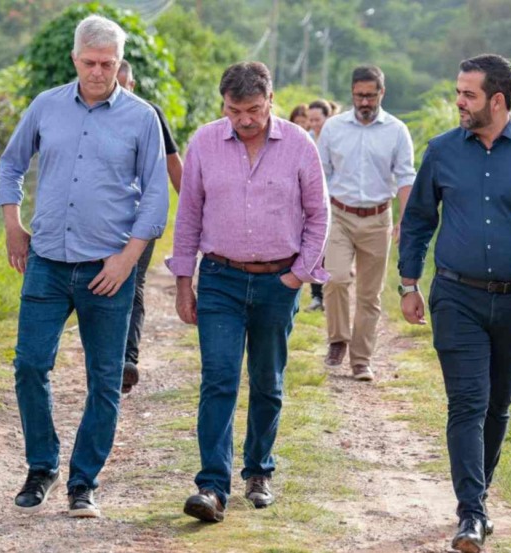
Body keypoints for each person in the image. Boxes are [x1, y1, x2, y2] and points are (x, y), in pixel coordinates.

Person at [398, 54, 511, 552]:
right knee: (467, 403)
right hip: (456, 296)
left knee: (498, 405)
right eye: (458, 92)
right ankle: (470, 514)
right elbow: (418, 220)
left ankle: (481, 494)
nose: (458, 101)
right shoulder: (442, 151)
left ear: (497, 100)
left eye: (468, 94)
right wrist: (409, 283)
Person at [0, 14, 168, 518]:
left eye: (108, 64)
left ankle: (83, 481)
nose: (99, 72)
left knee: (106, 378)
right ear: (75, 59)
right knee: (30, 365)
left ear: (120, 63)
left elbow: (156, 195)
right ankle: (42, 465)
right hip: (47, 262)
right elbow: (10, 164)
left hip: (107, 267)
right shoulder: (46, 106)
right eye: (91, 63)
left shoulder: (141, 118)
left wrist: (128, 261)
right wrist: (12, 222)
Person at [169, 61, 329, 523]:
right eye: (235, 109)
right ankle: (212, 487)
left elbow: (319, 214)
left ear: (271, 101)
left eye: (253, 110)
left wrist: (299, 276)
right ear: (224, 104)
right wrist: (184, 281)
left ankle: (259, 471)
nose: (244, 119)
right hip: (220, 278)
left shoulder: (300, 146)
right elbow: (189, 216)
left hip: (278, 282)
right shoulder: (203, 143)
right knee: (218, 378)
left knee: (267, 381)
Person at [318, 66, 416, 381]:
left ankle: (361, 360)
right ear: (352, 93)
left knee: (369, 294)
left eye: (370, 95)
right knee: (335, 278)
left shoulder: (397, 131)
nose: (364, 101)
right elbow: (320, 173)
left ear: (381, 94)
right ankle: (337, 339)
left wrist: (405, 220)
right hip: (339, 215)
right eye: (359, 95)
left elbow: (405, 177)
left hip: (378, 218)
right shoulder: (333, 128)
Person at [115, 59, 184, 394]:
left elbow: (173, 165)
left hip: (141, 217)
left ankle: (126, 359)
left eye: (123, 85)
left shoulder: (150, 114)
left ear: (133, 85)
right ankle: (104, 357)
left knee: (133, 282)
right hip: (97, 221)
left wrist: (195, 211)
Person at [304, 98, 334, 312]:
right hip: (311, 201)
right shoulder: (306, 139)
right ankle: (317, 296)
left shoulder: (336, 139)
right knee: (315, 248)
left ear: (327, 117)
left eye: (318, 119)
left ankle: (331, 293)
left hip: (335, 203)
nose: (314, 123)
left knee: (331, 251)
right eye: (311, 120)